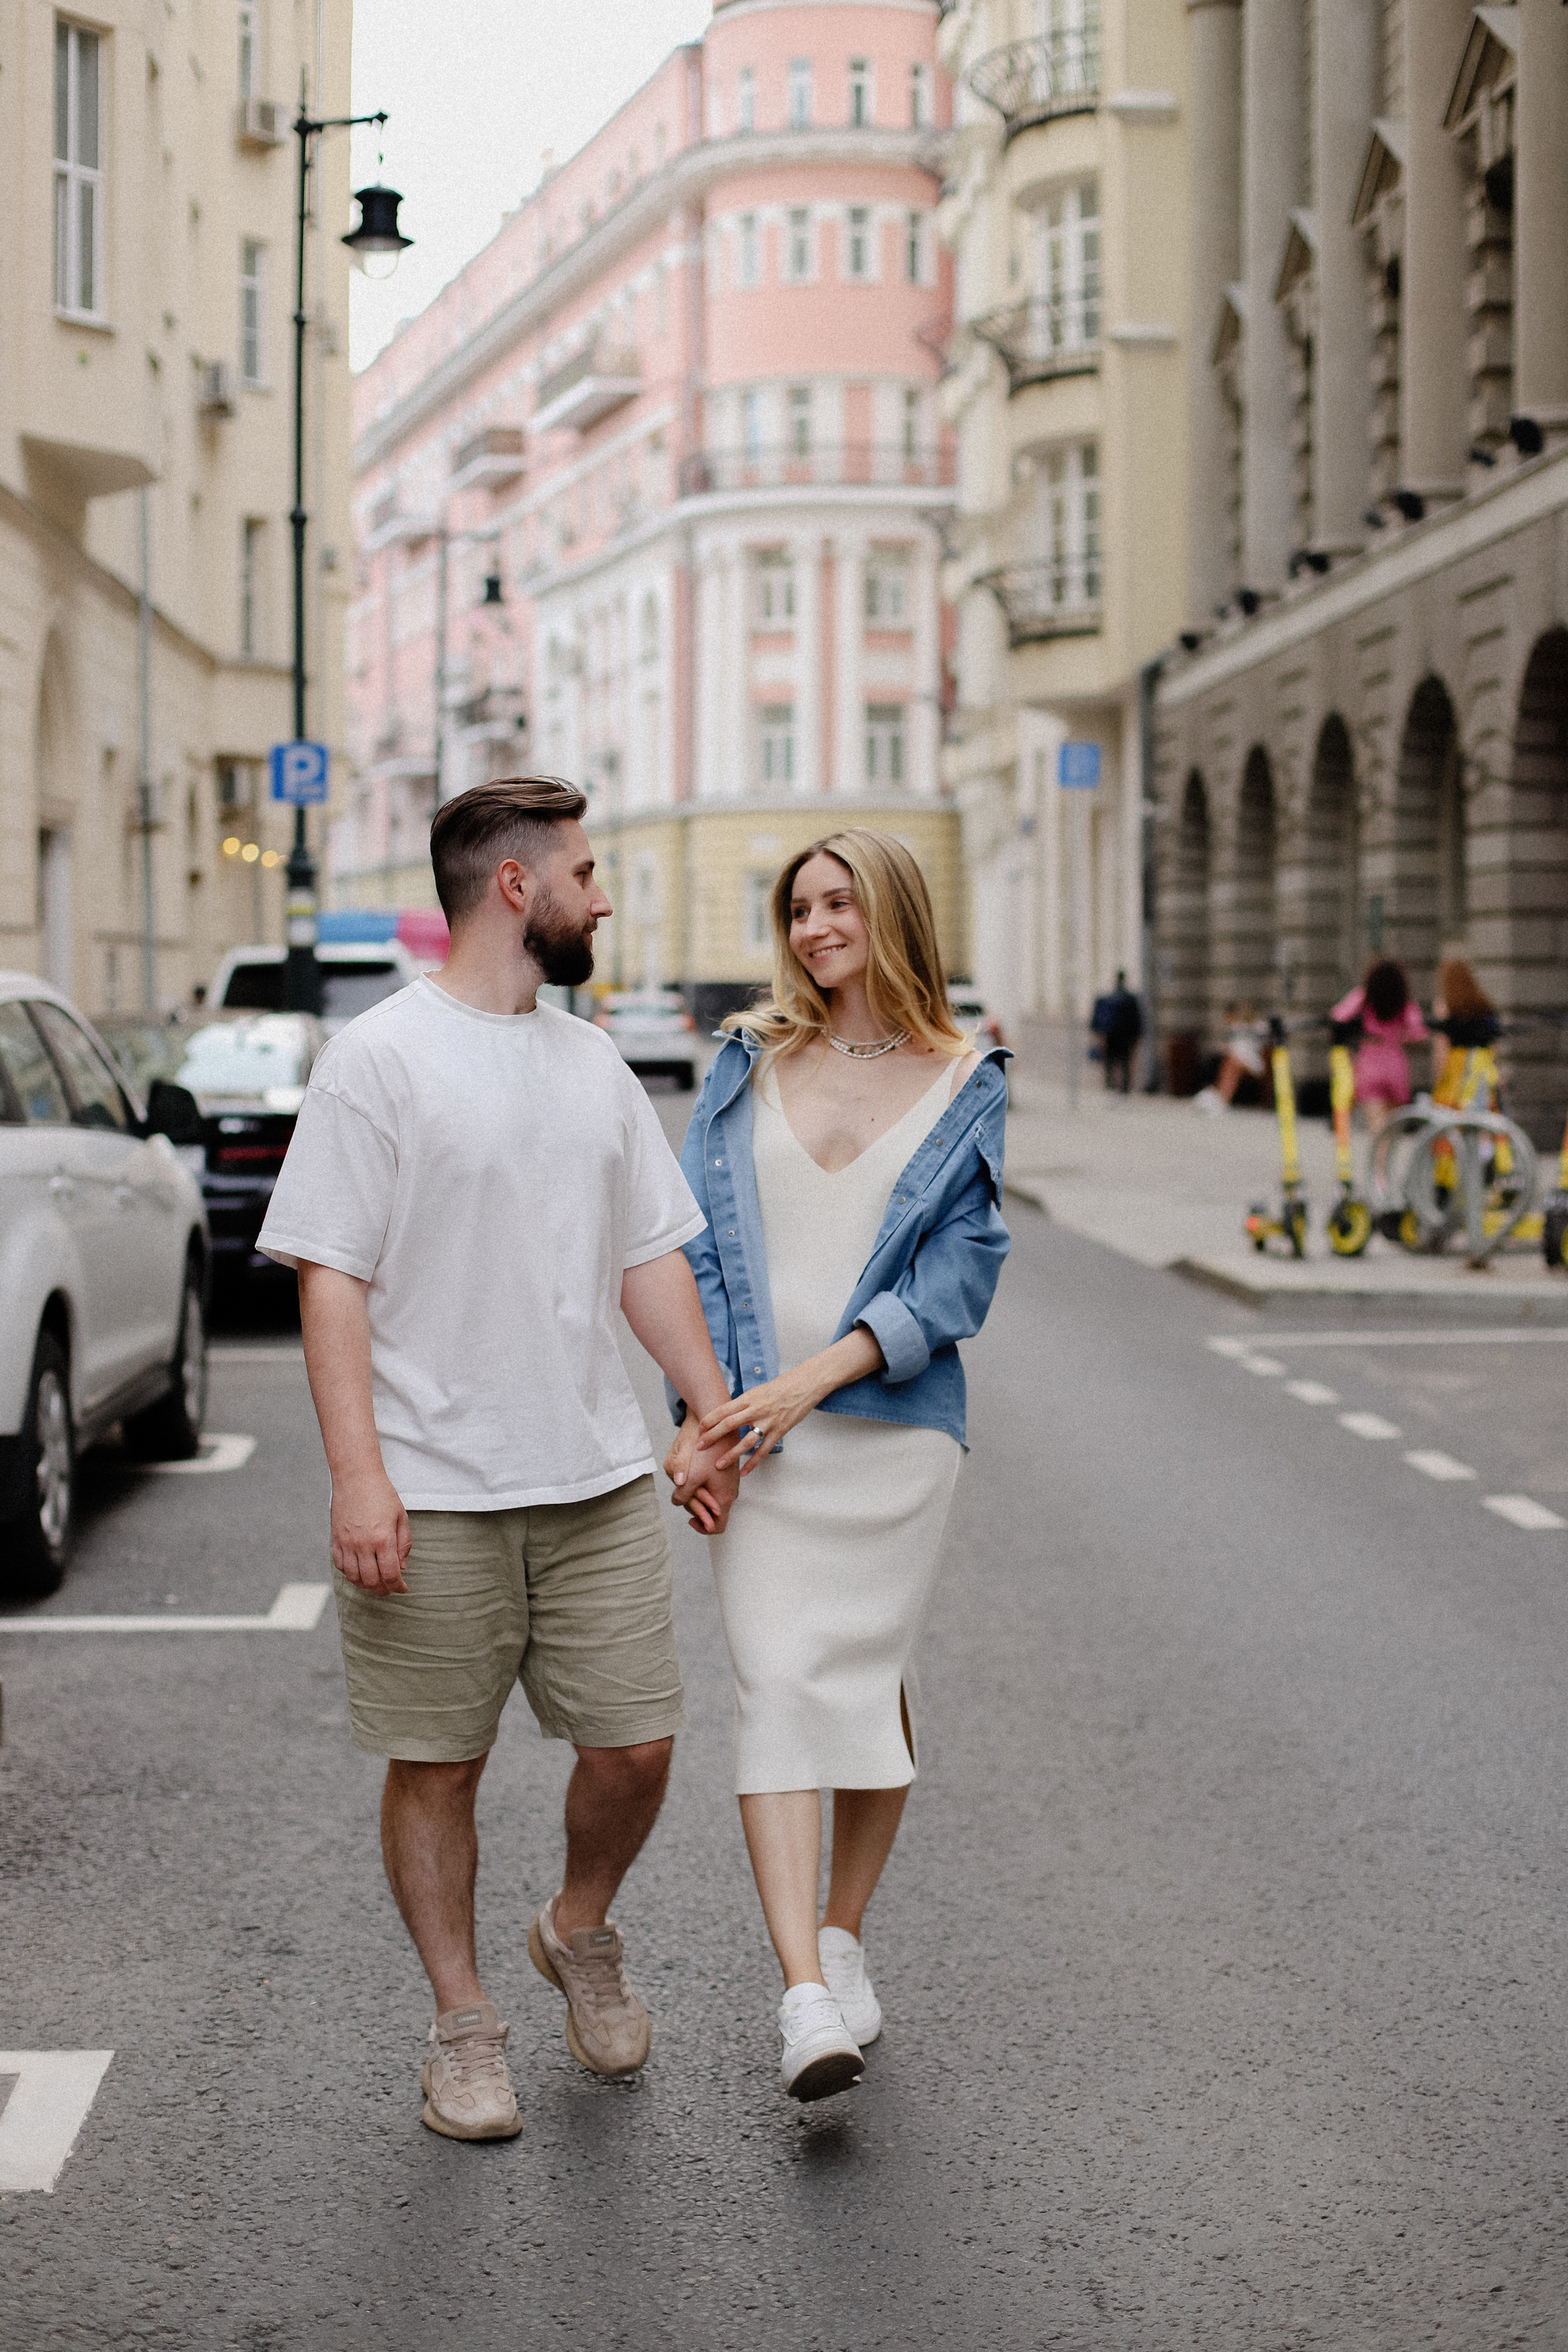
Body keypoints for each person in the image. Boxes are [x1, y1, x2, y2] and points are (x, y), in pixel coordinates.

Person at [256, 777, 739, 2143]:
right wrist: (360, 1475)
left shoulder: (590, 1063)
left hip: (590, 1478)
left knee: (639, 1747)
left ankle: (577, 1927)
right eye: (583, 873)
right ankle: (462, 2024)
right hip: (435, 1490)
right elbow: (331, 1278)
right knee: (438, 1768)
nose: (600, 896)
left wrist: (704, 1412)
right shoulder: (381, 1059)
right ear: (515, 889)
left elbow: (648, 1257)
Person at [664, 829, 1011, 2104]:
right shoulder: (746, 1063)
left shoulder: (963, 1075)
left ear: (890, 911)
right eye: (797, 908)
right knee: (777, 1679)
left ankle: (845, 1930)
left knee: (862, 1679)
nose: (813, 928)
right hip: (759, 1440)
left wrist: (821, 1376)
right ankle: (802, 1991)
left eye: (836, 903)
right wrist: (700, 1416)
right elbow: (692, 1250)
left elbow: (962, 1273)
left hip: (895, 1432)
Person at [1329, 959, 1428, 1137]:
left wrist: (1361, 1034)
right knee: (1392, 1126)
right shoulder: (1404, 1003)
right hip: (1395, 1064)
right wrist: (1399, 1036)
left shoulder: (1364, 997)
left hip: (1370, 1064)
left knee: (1376, 1125)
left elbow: (1338, 1015)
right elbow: (1419, 1034)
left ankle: (1379, 1164)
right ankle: (1386, 1163)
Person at [1430, 954, 1502, 1104]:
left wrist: (1439, 1079)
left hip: (1457, 1067)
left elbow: (1441, 1049)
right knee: (1483, 1118)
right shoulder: (1484, 1006)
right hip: (1483, 1066)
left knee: (1450, 1119)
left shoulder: (1444, 1008)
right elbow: (1494, 1044)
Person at [1192, 1002, 1268, 1113]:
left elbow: (1252, 1046)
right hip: (1240, 1060)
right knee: (1229, 1065)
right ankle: (1221, 1096)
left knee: (1231, 1063)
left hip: (1253, 1063)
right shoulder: (1236, 1028)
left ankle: (1222, 1097)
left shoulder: (1253, 1026)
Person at [1090, 969, 1143, 1093]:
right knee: (1124, 1062)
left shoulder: (1107, 998)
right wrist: (1137, 1037)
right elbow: (1136, 1021)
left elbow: (1098, 1022)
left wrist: (1098, 1036)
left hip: (1111, 1036)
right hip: (1125, 1037)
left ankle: (1111, 1086)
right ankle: (1123, 1089)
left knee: (1110, 1062)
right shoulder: (1130, 999)